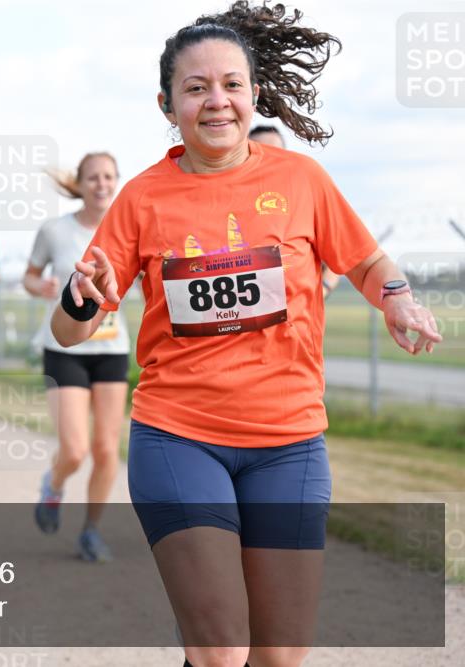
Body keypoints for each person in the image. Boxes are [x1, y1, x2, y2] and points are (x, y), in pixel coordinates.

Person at [50, 3, 443, 665]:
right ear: (167, 102)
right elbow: (68, 329)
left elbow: (367, 260)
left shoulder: (301, 180)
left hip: (289, 443)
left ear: (254, 93)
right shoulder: (142, 199)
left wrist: (397, 298)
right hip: (179, 435)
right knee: (221, 646)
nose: (216, 101)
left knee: (279, 654)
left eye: (231, 84)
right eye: (196, 87)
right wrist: (78, 297)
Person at [24, 153, 130, 563]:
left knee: (105, 449)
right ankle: (53, 485)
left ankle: (91, 530)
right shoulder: (55, 230)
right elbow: (29, 278)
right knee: (74, 450)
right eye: (93, 178)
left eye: (108, 176)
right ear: (80, 184)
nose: (101, 184)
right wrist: (44, 286)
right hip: (64, 349)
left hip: (111, 350)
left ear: (116, 180)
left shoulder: (127, 230)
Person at [248, 125, 342, 299]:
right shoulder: (231, 204)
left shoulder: (303, 200)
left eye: (274, 153)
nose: (266, 161)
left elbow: (338, 256)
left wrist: (323, 290)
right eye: (259, 151)